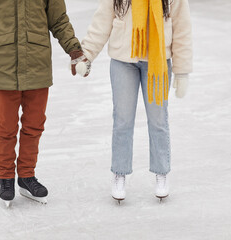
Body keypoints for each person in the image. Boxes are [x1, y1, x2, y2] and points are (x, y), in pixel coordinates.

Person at [0, 0, 86, 206]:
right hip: (3, 66)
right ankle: (5, 178)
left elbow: (58, 20)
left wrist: (74, 51)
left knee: (34, 125)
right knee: (6, 127)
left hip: (36, 64)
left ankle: (27, 176)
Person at [79, 0, 192, 202]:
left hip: (157, 63)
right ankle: (119, 173)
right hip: (124, 61)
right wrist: (86, 55)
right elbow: (102, 20)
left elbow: (181, 28)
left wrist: (182, 72)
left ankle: (161, 173)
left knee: (158, 120)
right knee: (122, 120)